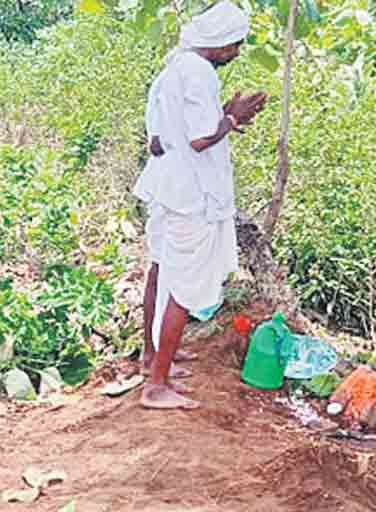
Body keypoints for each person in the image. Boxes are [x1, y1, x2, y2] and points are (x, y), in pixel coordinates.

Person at [131, 1, 266, 410]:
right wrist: (232, 119)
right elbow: (200, 138)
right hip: (191, 198)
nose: (238, 53)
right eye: (236, 45)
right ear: (220, 42)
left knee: (163, 270)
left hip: (166, 189)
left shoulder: (172, 69)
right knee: (184, 285)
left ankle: (153, 357)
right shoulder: (200, 73)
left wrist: (220, 118)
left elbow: (157, 139)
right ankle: (156, 386)